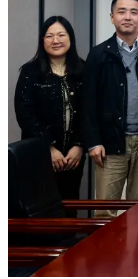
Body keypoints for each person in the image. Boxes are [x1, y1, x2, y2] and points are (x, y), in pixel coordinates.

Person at [82, 0, 138, 217]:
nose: (127, 17)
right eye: (121, 12)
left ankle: (137, 244)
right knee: (105, 212)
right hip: (110, 144)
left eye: (133, 12)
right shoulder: (98, 54)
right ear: (112, 17)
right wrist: (93, 142)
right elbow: (88, 102)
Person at [15, 16, 86, 201]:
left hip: (73, 156)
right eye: (49, 36)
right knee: (41, 207)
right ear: (42, 40)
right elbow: (25, 113)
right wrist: (49, 147)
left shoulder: (83, 70)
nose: (56, 40)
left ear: (70, 38)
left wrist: (79, 146)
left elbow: (89, 112)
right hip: (39, 153)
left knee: (69, 205)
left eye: (61, 35)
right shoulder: (31, 72)